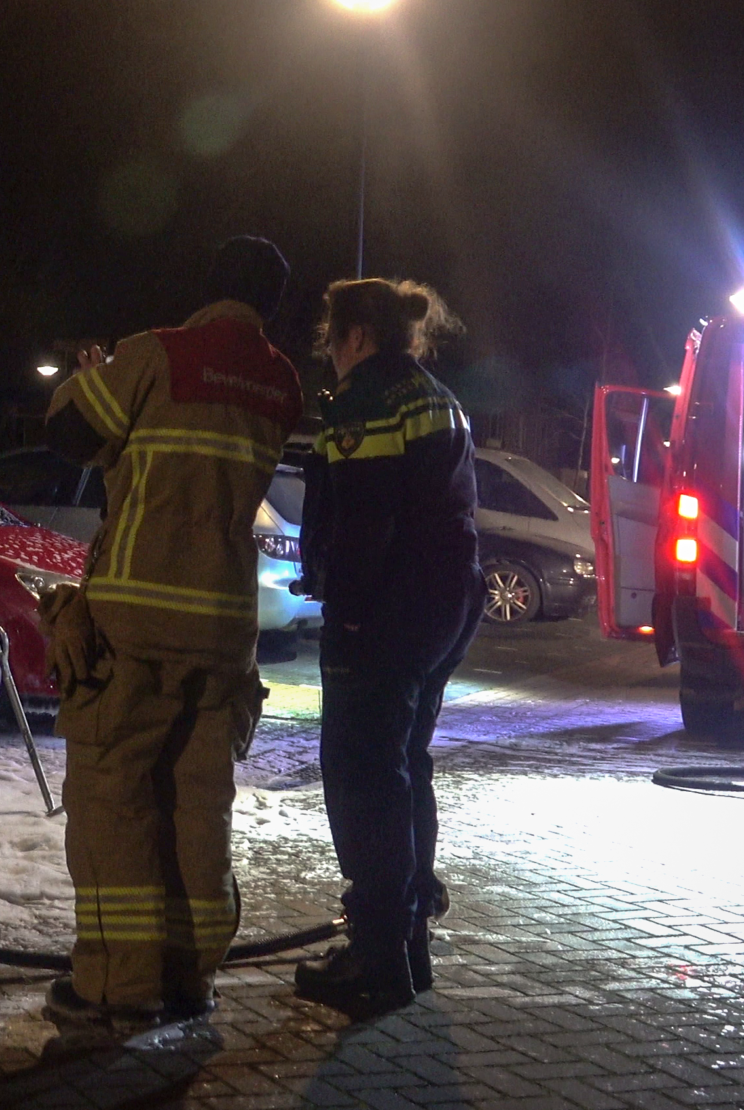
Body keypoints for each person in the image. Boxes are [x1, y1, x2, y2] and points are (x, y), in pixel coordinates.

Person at [38, 236, 303, 1039]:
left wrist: (89, 375)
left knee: (116, 799)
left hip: (137, 622)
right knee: (198, 804)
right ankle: (189, 981)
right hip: (225, 632)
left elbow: (73, 433)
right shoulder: (280, 381)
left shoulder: (157, 354)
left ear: (208, 286)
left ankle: (118, 989)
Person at [294, 278, 480, 1015]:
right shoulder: (435, 393)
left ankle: (376, 961)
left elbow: (367, 518)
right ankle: (406, 952)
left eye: (331, 336)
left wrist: (352, 615)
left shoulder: (370, 397)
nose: (328, 352)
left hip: (390, 611)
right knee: (403, 765)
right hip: (444, 605)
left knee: (362, 775)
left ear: (358, 338)